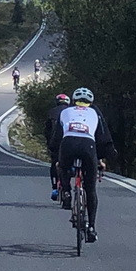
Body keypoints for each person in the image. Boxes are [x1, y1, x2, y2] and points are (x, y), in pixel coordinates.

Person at [51, 87, 116, 243]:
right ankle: (92, 228)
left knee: (62, 167)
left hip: (68, 144)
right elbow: (102, 137)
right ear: (91, 102)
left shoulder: (65, 112)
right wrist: (101, 158)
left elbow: (57, 137)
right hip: (88, 146)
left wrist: (55, 153)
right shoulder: (95, 112)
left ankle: (66, 192)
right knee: (90, 188)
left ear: (73, 101)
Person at [44, 94, 71, 200]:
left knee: (54, 163)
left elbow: (47, 130)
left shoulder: (51, 112)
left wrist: (49, 144)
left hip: (56, 142)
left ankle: (55, 187)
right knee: (67, 165)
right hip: (69, 141)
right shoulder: (71, 112)